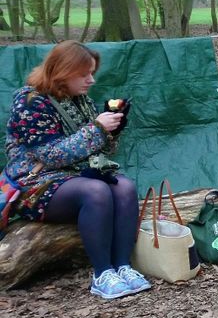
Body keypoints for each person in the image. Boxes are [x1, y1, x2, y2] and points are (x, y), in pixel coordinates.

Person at [4, 41, 151, 299]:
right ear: (62, 72)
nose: (91, 80)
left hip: (75, 176)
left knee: (125, 186)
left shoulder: (80, 100)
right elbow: (50, 155)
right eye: (84, 74)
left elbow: (97, 151)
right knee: (96, 191)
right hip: (35, 184)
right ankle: (102, 273)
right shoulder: (30, 102)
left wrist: (112, 130)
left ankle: (123, 266)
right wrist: (97, 129)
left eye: (92, 73)